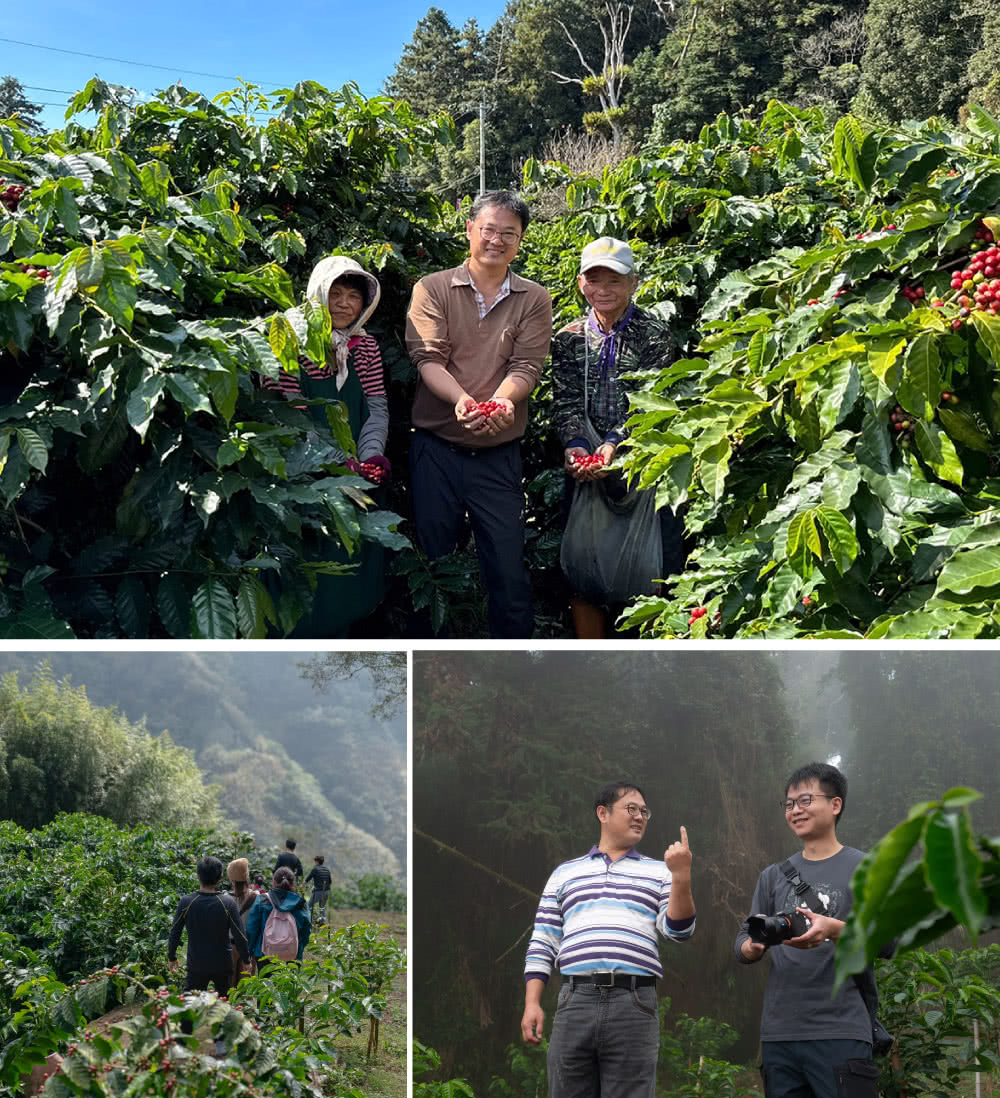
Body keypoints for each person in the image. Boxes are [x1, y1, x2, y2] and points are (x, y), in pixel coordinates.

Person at [406, 190, 553, 639]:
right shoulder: (431, 288)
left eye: (509, 233)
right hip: (436, 449)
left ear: (521, 240)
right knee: (433, 561)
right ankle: (431, 662)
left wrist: (505, 402)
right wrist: (462, 402)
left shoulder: (533, 298)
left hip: (497, 454)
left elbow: (526, 365)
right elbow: (429, 358)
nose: (497, 240)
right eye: (488, 229)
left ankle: (513, 663)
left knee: (507, 564)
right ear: (469, 230)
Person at [521, 781, 695, 1098]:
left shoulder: (659, 872)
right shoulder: (565, 873)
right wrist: (532, 1002)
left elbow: (678, 931)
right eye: (631, 808)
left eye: (644, 811)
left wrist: (681, 876)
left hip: (634, 1003)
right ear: (603, 813)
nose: (640, 816)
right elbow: (543, 942)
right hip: (575, 1000)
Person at [551, 237, 687, 639]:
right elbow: (566, 401)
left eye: (615, 280)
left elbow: (653, 405)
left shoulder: (655, 335)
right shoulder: (570, 338)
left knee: (659, 569)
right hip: (587, 466)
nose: (604, 290)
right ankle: (591, 661)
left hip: (643, 463)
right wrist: (576, 444)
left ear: (634, 283)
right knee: (582, 567)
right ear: (581, 284)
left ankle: (647, 659)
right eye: (595, 280)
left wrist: (613, 444)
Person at [735, 762, 887, 1098]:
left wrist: (833, 928)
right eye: (789, 804)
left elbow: (889, 940)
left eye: (805, 801)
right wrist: (751, 947)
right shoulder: (773, 876)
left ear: (835, 805)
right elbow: (743, 939)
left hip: (841, 1030)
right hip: (780, 1036)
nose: (795, 811)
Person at [262, 255, 390, 637]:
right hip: (299, 475)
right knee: (302, 576)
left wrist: (370, 457)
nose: (344, 303)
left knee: (345, 576)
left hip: (353, 478)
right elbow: (288, 414)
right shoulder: (288, 342)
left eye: (354, 296)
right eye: (336, 292)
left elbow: (376, 406)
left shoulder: (364, 347)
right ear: (318, 293)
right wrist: (334, 464)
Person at [168, 855, 249, 1056]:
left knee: (188, 1001)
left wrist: (171, 956)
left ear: (198, 876)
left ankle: (182, 1043)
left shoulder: (187, 901)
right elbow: (239, 934)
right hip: (223, 963)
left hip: (197, 964)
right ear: (220, 877)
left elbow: (175, 931)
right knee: (223, 1002)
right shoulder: (228, 902)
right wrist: (246, 960)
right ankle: (221, 1045)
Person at [246, 866, 312, 972]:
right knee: (290, 986)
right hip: (293, 954)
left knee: (266, 986)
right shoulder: (301, 903)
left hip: (265, 954)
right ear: (293, 883)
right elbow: (307, 929)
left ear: (273, 882)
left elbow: (251, 929)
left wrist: (250, 950)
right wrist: (300, 947)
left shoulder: (262, 900)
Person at [226, 857, 258, 987]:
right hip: (249, 948)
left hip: (230, 947)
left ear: (231, 880)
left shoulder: (225, 898)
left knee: (228, 988)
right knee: (245, 989)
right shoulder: (256, 897)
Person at [305, 854, 332, 927]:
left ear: (317, 861)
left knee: (308, 906)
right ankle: (323, 921)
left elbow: (308, 878)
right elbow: (330, 881)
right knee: (322, 907)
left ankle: (314, 920)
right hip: (326, 891)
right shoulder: (327, 869)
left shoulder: (315, 869)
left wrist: (303, 884)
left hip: (319, 891)